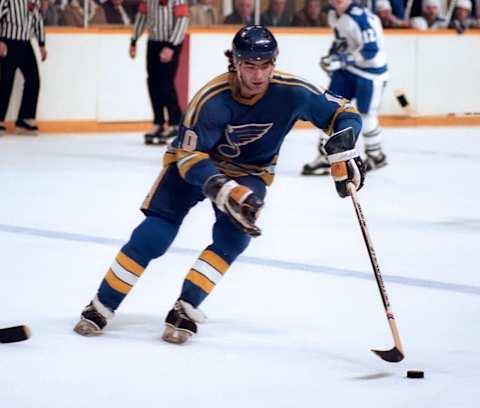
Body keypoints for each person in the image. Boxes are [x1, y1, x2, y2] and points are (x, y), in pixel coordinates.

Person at [73, 25, 366, 344]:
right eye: (250, 65)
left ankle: (186, 305)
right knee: (154, 235)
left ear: (274, 62)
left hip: (250, 171)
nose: (258, 75)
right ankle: (102, 304)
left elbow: (344, 112)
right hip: (194, 166)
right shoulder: (210, 99)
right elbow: (188, 156)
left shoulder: (292, 91)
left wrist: (343, 144)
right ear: (235, 62)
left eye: (265, 65)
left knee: (234, 238)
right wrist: (222, 189)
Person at [302, 0, 388, 175]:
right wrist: (332, 56)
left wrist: (341, 60)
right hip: (348, 71)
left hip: (371, 74)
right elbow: (342, 42)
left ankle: (375, 155)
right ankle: (327, 157)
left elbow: (371, 51)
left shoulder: (360, 18)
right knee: (329, 109)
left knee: (366, 116)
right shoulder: (334, 15)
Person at [130, 0, 189, 145]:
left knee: (166, 84)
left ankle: (175, 123)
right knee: (153, 83)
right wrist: (134, 40)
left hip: (171, 42)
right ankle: (158, 122)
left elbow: (182, 20)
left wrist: (171, 46)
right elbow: (142, 15)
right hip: (153, 42)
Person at [0, 0, 48, 136]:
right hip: (9, 40)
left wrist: (41, 44)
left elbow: (37, 18)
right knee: (6, 81)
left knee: (33, 79)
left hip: (25, 42)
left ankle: (24, 119)